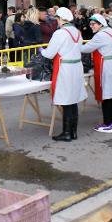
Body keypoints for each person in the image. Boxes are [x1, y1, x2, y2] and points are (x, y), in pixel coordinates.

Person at [40, 8, 87, 142]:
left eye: (57, 19)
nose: (56, 22)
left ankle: (67, 133)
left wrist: (41, 50)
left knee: (66, 100)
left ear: (61, 19)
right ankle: (73, 132)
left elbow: (49, 54)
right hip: (76, 67)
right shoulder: (77, 32)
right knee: (73, 100)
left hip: (65, 68)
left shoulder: (60, 33)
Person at [80, 14, 112, 133]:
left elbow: (85, 49)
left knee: (106, 96)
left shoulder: (100, 36)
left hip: (107, 67)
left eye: (93, 24)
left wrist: (74, 44)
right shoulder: (111, 31)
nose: (91, 26)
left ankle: (107, 124)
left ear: (100, 24)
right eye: (90, 24)